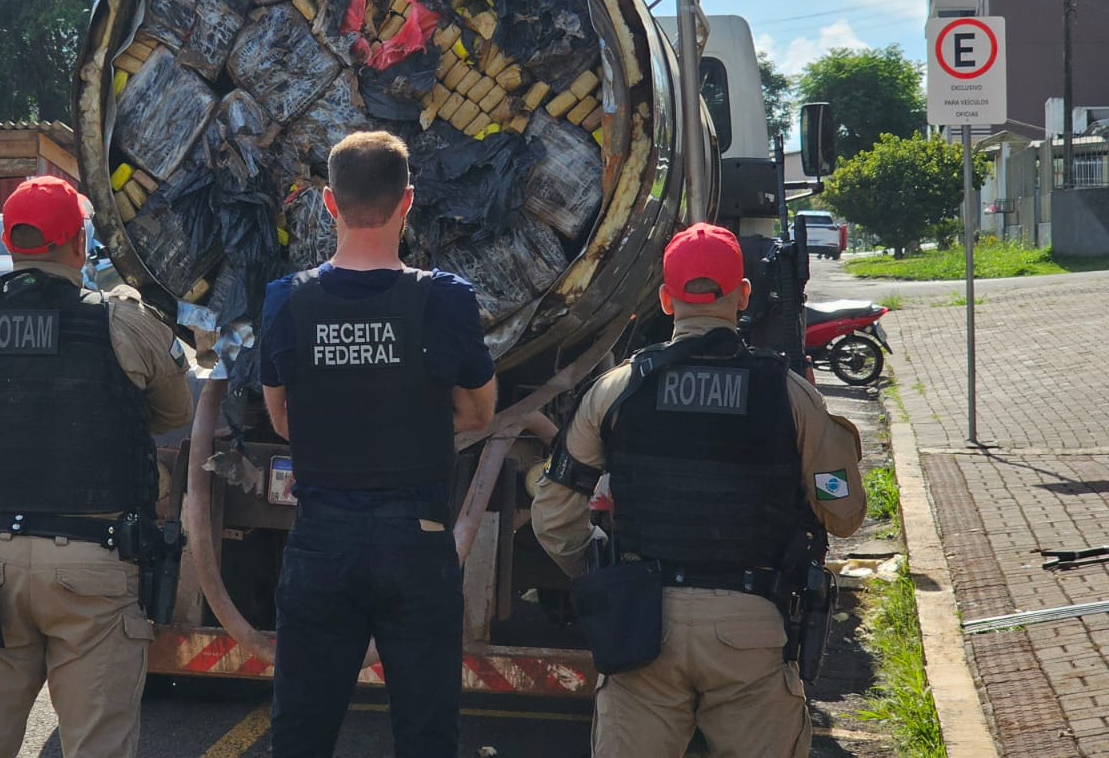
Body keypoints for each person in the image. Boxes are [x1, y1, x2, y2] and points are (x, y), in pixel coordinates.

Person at [532, 221, 866, 758]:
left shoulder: (615, 391)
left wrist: (608, 580)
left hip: (641, 628)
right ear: (743, 296)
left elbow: (553, 515)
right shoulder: (790, 395)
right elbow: (844, 514)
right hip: (751, 629)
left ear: (666, 300)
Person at [0, 175, 194, 758]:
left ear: (9, 242)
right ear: (80, 244)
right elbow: (174, 413)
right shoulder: (121, 321)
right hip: (93, 564)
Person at [261, 130, 498, 758]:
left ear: (329, 204)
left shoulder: (286, 300)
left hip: (321, 539)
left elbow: (283, 420)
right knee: (426, 734)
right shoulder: (445, 298)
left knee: (300, 733)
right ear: (408, 201)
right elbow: (478, 412)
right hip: (417, 540)